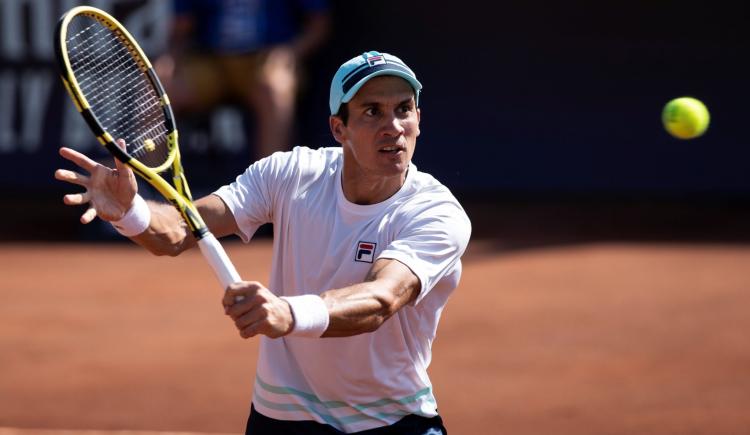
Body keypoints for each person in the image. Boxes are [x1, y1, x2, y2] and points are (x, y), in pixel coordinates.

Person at [55, 51, 471, 434]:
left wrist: (286, 312)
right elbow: (182, 229)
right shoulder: (290, 174)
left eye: (403, 109)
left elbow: (382, 299)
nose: (393, 126)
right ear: (338, 128)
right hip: (285, 414)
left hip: (390, 420)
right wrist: (132, 212)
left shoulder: (436, 212)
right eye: (372, 112)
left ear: (419, 117)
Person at [155, 0, 331, 159]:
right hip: (212, 62)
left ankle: (272, 187)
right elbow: (182, 28)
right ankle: (149, 186)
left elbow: (318, 25)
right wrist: (170, 59)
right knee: (160, 88)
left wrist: (289, 53)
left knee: (275, 89)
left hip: (266, 59)